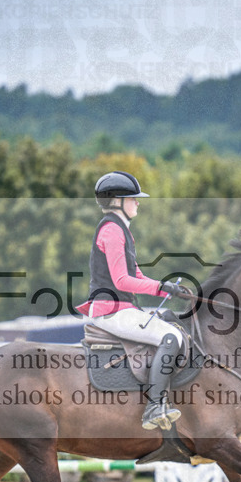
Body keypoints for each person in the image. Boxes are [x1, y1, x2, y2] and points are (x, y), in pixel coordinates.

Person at [75, 171, 189, 431]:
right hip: (110, 310)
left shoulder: (121, 230)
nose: (137, 202)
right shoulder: (113, 231)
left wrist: (167, 291)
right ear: (117, 201)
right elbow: (122, 281)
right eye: (132, 198)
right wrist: (161, 286)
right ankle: (154, 406)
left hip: (119, 308)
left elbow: (136, 274)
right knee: (171, 338)